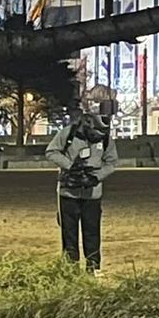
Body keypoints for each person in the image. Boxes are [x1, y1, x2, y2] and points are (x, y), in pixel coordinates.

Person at [45, 110, 118, 274]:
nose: (97, 137)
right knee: (69, 233)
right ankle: (70, 269)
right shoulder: (68, 133)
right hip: (68, 193)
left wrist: (96, 177)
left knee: (92, 232)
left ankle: (93, 268)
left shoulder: (105, 139)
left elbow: (112, 162)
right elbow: (51, 151)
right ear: (88, 124)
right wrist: (70, 166)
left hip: (93, 194)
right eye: (95, 132)